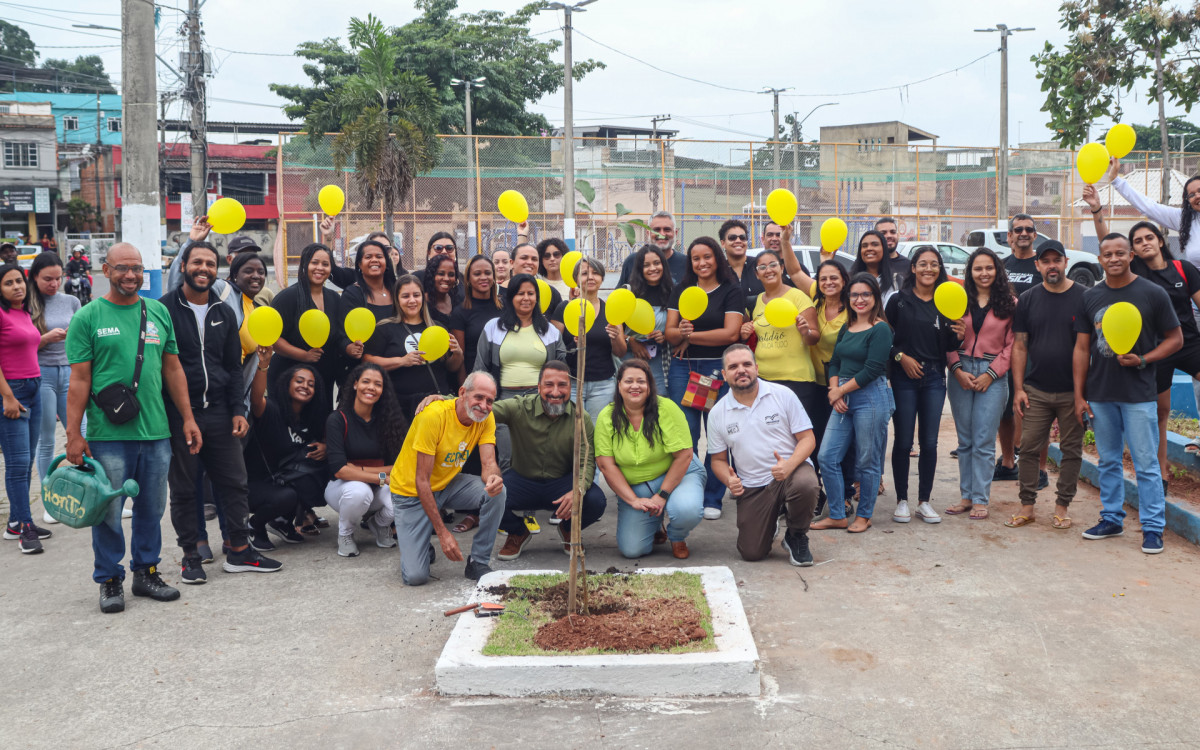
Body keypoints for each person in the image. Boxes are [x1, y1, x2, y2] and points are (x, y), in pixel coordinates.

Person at [65, 243, 203, 613]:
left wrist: (188, 418)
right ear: (106, 270)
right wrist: (74, 435)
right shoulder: (88, 317)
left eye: (138, 269)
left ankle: (146, 573)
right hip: (108, 438)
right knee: (108, 511)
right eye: (123, 268)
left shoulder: (157, 312)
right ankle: (109, 580)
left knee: (152, 509)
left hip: (156, 433)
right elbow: (78, 381)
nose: (131, 275)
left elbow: (173, 370)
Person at [162, 241, 282, 584]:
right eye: (197, 262)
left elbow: (232, 368)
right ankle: (190, 557)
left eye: (209, 264)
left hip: (219, 411)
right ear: (184, 265)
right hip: (178, 413)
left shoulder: (223, 312)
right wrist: (179, 414)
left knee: (234, 483)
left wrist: (238, 410)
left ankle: (240, 551)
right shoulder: (163, 309)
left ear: (217, 270)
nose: (203, 269)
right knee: (184, 488)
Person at [1085, 186, 1200, 493]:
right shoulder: (1134, 270)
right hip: (1155, 350)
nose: (1144, 242)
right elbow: (1107, 243)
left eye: (1149, 237)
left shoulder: (1183, 268)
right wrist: (1097, 210)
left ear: (1160, 241)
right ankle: (1161, 469)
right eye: (1138, 240)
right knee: (1161, 412)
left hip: (1188, 343)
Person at [1075, 233, 1182, 554]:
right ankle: (1111, 518)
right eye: (1107, 254)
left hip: (1139, 394)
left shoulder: (1153, 293)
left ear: (1131, 255)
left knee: (1146, 464)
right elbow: (1082, 348)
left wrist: (1145, 359)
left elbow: (1175, 339)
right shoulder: (1090, 297)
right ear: (1100, 259)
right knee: (1107, 460)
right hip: (1100, 394)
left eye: (1120, 253)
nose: (1114, 259)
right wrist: (1080, 395)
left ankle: (1152, 528)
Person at [390, 371, 507, 585]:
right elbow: (421, 481)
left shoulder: (486, 418)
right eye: (479, 397)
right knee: (415, 577)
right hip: (411, 493)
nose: (484, 405)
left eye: (490, 400)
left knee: (498, 491)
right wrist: (442, 533)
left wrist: (493, 479)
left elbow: (488, 462)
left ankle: (478, 562)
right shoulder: (433, 416)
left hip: (446, 484)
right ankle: (424, 541)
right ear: (462, 393)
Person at [709, 345, 820, 565]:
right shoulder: (717, 413)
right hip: (753, 485)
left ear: (756, 368)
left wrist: (788, 466)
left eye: (747, 364)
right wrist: (729, 480)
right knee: (752, 553)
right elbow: (718, 460)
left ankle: (796, 534)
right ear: (724, 374)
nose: (741, 370)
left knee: (806, 484)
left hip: (791, 471)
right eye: (733, 366)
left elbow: (808, 439)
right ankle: (772, 518)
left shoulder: (783, 395)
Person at [489, 361, 607, 559]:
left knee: (596, 500)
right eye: (549, 385)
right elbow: (482, 408)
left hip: (561, 484)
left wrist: (577, 490)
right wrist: (445, 401)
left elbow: (586, 462)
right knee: (484, 496)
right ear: (538, 387)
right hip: (522, 481)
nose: (555, 392)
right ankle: (517, 532)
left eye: (562, 385)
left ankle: (568, 529)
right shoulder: (519, 407)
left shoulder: (581, 418)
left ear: (571, 388)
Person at [665, 237, 746, 519]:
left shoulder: (730, 291)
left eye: (707, 257)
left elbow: (730, 334)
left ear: (717, 258)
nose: (702, 263)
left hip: (717, 370)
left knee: (717, 435)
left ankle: (713, 496)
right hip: (683, 367)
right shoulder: (682, 289)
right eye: (696, 258)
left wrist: (689, 335)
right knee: (686, 434)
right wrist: (680, 334)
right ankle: (690, 492)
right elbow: (669, 334)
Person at [1007, 241, 1086, 529]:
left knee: (1072, 450)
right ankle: (1027, 505)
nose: (1052, 265)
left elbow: (1086, 347)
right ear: (1037, 265)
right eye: (1045, 261)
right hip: (1036, 389)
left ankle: (1062, 506)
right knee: (1027, 448)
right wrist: (1018, 388)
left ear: (1066, 262)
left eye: (1057, 260)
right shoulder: (1027, 299)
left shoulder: (1084, 297)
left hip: (1072, 392)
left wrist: (1081, 394)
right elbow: (1019, 345)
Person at [595, 359, 705, 559]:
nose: (635, 386)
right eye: (629, 381)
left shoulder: (666, 408)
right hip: (637, 484)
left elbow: (684, 455)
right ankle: (654, 524)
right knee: (632, 550)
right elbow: (605, 465)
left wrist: (661, 495)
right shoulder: (607, 416)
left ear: (650, 386)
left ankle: (677, 535)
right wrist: (633, 500)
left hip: (679, 472)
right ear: (619, 385)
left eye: (641, 381)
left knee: (686, 509)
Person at [810, 274, 893, 533]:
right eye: (855, 295)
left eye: (865, 294)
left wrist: (839, 391)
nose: (859, 300)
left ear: (875, 298)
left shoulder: (880, 329)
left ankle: (864, 515)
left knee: (867, 460)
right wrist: (834, 389)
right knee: (827, 456)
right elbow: (834, 360)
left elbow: (872, 369)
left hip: (871, 395)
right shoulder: (847, 326)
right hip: (843, 394)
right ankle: (837, 514)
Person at [885, 247, 962, 524]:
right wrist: (900, 357)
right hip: (903, 377)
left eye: (934, 264)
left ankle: (924, 501)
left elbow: (949, 345)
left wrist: (959, 337)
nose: (928, 269)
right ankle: (902, 500)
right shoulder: (898, 301)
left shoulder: (947, 302)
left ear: (940, 269)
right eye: (923, 264)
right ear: (913, 268)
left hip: (933, 378)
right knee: (904, 441)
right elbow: (885, 339)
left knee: (929, 442)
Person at [945, 248, 1016, 520]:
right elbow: (947, 338)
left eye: (989, 268)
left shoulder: (1010, 304)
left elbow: (1013, 346)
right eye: (978, 268)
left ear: (997, 270)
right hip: (961, 370)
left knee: (984, 440)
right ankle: (965, 496)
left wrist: (992, 373)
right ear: (970, 272)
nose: (983, 273)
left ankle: (980, 500)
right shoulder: (958, 300)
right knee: (965, 440)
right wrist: (957, 369)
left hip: (992, 374)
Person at [245, 353, 330, 548]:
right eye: (299, 381)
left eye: (311, 384)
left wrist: (325, 447)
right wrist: (263, 366)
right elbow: (256, 400)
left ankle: (282, 521)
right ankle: (254, 525)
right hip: (255, 485)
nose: (305, 386)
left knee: (319, 471)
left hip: (283, 481)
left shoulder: (310, 420)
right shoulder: (273, 410)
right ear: (287, 383)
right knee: (290, 492)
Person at [324, 363, 407, 558]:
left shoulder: (389, 420)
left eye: (377, 384)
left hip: (376, 488)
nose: (371, 387)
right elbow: (340, 470)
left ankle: (379, 523)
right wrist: (380, 477)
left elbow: (398, 467)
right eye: (366, 382)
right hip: (342, 488)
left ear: (382, 390)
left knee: (404, 492)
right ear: (355, 384)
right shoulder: (337, 419)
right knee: (359, 491)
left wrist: (360, 469)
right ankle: (345, 534)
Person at [26, 253, 82, 526]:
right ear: (34, 277)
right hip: (42, 374)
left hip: (71, 373)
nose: (54, 284)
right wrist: (44, 339)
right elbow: (19, 347)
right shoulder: (26, 304)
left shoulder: (72, 300)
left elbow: (84, 340)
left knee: (82, 433)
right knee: (46, 439)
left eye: (58, 278)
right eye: (47, 279)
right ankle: (50, 501)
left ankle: (94, 493)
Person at [0, 263, 50, 553]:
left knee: (27, 459)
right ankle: (25, 528)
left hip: (34, 388)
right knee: (18, 464)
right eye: (9, 283)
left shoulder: (23, 312)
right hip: (13, 393)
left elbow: (27, 347)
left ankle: (15, 522)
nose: (17, 286)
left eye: (20, 281)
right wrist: (7, 397)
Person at [739, 248, 821, 422]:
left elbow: (815, 337)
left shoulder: (798, 296)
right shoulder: (754, 302)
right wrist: (744, 333)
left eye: (773, 265)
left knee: (797, 434)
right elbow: (747, 335)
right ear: (756, 274)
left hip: (797, 381)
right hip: (763, 381)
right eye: (762, 267)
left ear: (782, 268)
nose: (768, 270)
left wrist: (806, 331)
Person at [365, 274, 463, 418]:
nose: (412, 300)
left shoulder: (438, 328)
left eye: (416, 295)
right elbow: (367, 361)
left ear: (423, 297)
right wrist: (402, 361)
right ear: (397, 299)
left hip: (436, 405)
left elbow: (450, 367)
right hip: (399, 407)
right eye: (405, 296)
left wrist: (458, 354)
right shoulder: (385, 328)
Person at [994, 214, 1042, 482]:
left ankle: (1029, 462)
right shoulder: (1000, 267)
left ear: (1034, 235)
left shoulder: (1043, 264)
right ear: (1010, 236)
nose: (1023, 233)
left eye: (1028, 229)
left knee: (1029, 405)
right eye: (1018, 229)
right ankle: (1008, 462)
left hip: (1035, 346)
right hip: (1004, 345)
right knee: (1004, 407)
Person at [268, 243, 345, 405]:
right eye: (314, 262)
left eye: (325, 264)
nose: (320, 268)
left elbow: (338, 336)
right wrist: (303, 355)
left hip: (323, 376)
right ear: (305, 264)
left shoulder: (334, 298)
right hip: (289, 375)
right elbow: (272, 337)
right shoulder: (288, 297)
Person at [807, 259, 855, 516]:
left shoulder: (854, 309)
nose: (828, 283)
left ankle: (846, 494)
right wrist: (784, 239)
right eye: (823, 278)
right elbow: (793, 271)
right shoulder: (815, 304)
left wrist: (841, 388)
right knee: (813, 442)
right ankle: (816, 493)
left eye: (834, 278)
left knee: (842, 444)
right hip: (815, 384)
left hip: (844, 387)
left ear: (844, 280)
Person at [553, 256, 626, 419]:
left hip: (603, 385)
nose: (591, 277)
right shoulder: (564, 308)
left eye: (596, 273)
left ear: (602, 279)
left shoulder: (611, 310)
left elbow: (621, 352)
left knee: (597, 433)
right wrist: (573, 343)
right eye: (584, 273)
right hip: (570, 382)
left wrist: (615, 338)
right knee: (571, 433)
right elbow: (553, 347)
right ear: (576, 279)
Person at [473, 273, 567, 399]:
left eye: (531, 293)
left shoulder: (550, 330)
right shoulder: (493, 327)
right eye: (520, 293)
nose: (526, 298)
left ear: (537, 297)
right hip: (503, 399)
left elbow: (562, 365)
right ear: (511, 297)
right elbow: (480, 368)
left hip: (540, 399)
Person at [1102, 158, 1199, 266]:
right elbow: (1148, 207)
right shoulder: (1186, 218)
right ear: (1188, 200)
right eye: (1191, 195)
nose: (1197, 196)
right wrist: (1116, 181)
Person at [624, 244, 674, 393]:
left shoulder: (673, 291)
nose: (652, 268)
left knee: (659, 403)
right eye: (646, 265)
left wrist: (664, 337)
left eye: (657, 263)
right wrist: (631, 341)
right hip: (629, 360)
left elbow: (679, 328)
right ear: (639, 269)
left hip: (660, 361)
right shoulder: (627, 292)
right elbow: (612, 330)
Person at [450, 255, 503, 385]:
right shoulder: (460, 313)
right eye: (477, 274)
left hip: (505, 380)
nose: (483, 277)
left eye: (488, 273)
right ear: (468, 279)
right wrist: (465, 390)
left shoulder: (505, 308)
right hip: (476, 380)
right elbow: (460, 358)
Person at [616, 211, 687, 286]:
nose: (662, 234)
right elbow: (620, 294)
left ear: (675, 233)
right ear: (648, 233)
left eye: (667, 229)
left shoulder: (686, 263)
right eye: (656, 230)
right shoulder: (632, 261)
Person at [340, 238, 399, 323]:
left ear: (386, 262)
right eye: (368, 257)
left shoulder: (397, 290)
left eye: (379, 256)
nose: (374, 260)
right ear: (360, 264)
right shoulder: (352, 295)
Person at [412, 232, 464, 305]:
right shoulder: (416, 279)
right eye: (438, 248)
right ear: (429, 253)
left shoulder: (463, 279)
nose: (444, 252)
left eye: (449, 248)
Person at [849, 230, 898, 306]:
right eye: (864, 246)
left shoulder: (896, 280)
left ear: (884, 248)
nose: (869, 248)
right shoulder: (849, 279)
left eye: (875, 245)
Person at [511, 242, 563, 312]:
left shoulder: (551, 293)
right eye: (524, 258)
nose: (530, 262)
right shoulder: (498, 292)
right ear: (511, 263)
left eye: (534, 259)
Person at [423, 254, 459, 328]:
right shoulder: (422, 303)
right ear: (431, 275)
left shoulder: (457, 300)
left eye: (451, 275)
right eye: (441, 274)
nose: (446, 278)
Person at [874, 217, 909, 287]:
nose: (889, 236)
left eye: (893, 232)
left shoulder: (908, 265)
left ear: (897, 235)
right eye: (883, 233)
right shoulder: (870, 264)